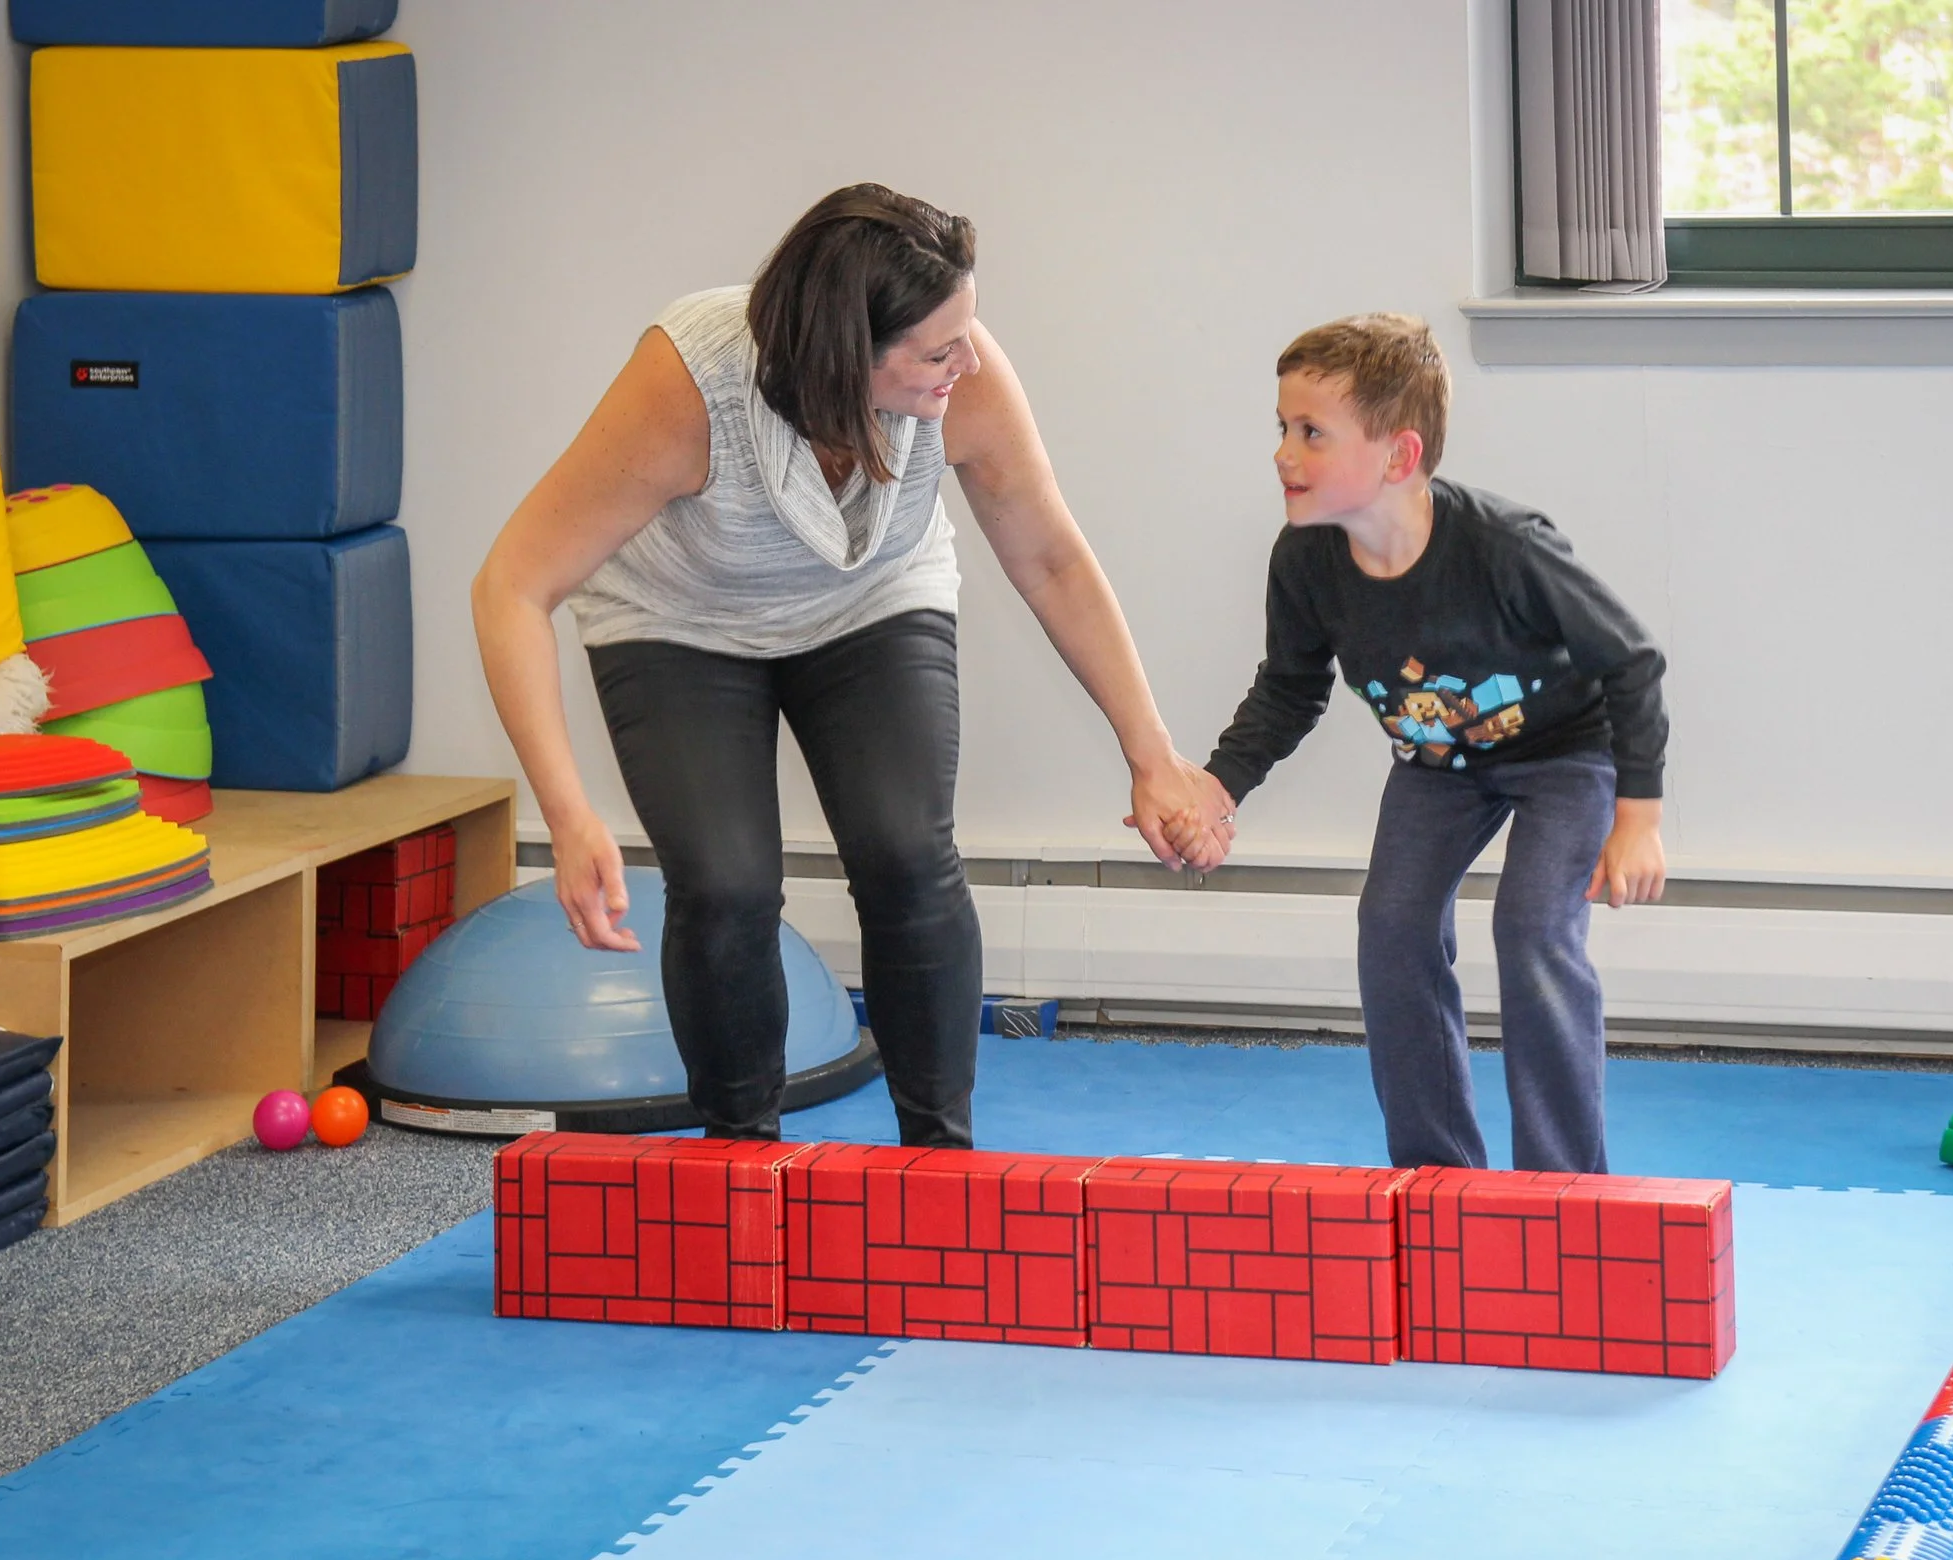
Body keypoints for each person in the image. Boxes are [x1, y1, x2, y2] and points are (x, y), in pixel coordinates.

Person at [470, 184, 1228, 1149]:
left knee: (908, 854)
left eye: (969, 335)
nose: (968, 362)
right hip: (682, 621)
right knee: (728, 884)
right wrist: (569, 814)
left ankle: (940, 1165)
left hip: (872, 597)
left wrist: (1151, 751)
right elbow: (511, 586)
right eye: (937, 350)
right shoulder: (689, 384)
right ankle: (740, 1161)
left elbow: (1051, 558)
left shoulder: (968, 378)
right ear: (844, 354)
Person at [1182, 314, 1668, 1173]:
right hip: (1440, 770)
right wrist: (1218, 789)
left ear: (1399, 457)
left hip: (1564, 754)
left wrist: (1638, 819)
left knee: (1530, 929)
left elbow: (1629, 661)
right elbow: (1290, 691)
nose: (1283, 453)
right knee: (1393, 923)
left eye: (1311, 434)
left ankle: (1564, 1188)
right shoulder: (1305, 562)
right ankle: (1436, 1174)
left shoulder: (1503, 546)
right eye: (1282, 429)